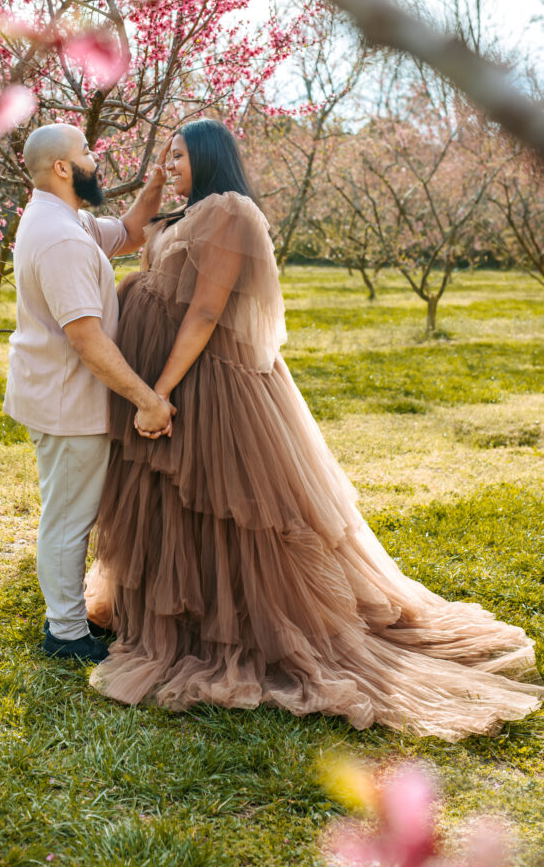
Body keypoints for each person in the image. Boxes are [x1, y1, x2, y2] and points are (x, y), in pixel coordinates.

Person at [86, 117, 543, 741]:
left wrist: (160, 391)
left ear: (213, 157)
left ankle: (241, 626)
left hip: (209, 384)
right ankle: (177, 617)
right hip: (167, 380)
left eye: (181, 153)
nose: (171, 161)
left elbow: (207, 310)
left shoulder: (230, 211)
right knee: (176, 503)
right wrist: (155, 190)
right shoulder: (183, 215)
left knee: (236, 510)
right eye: (166, 151)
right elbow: (136, 244)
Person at [3, 123, 174, 662]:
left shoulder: (66, 218)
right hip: (65, 401)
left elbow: (127, 234)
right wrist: (146, 398)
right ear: (61, 167)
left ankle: (68, 623)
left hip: (60, 392)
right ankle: (66, 634)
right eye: (86, 152)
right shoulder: (57, 238)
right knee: (68, 517)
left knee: (70, 510)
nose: (95, 158)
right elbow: (86, 338)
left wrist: (155, 186)